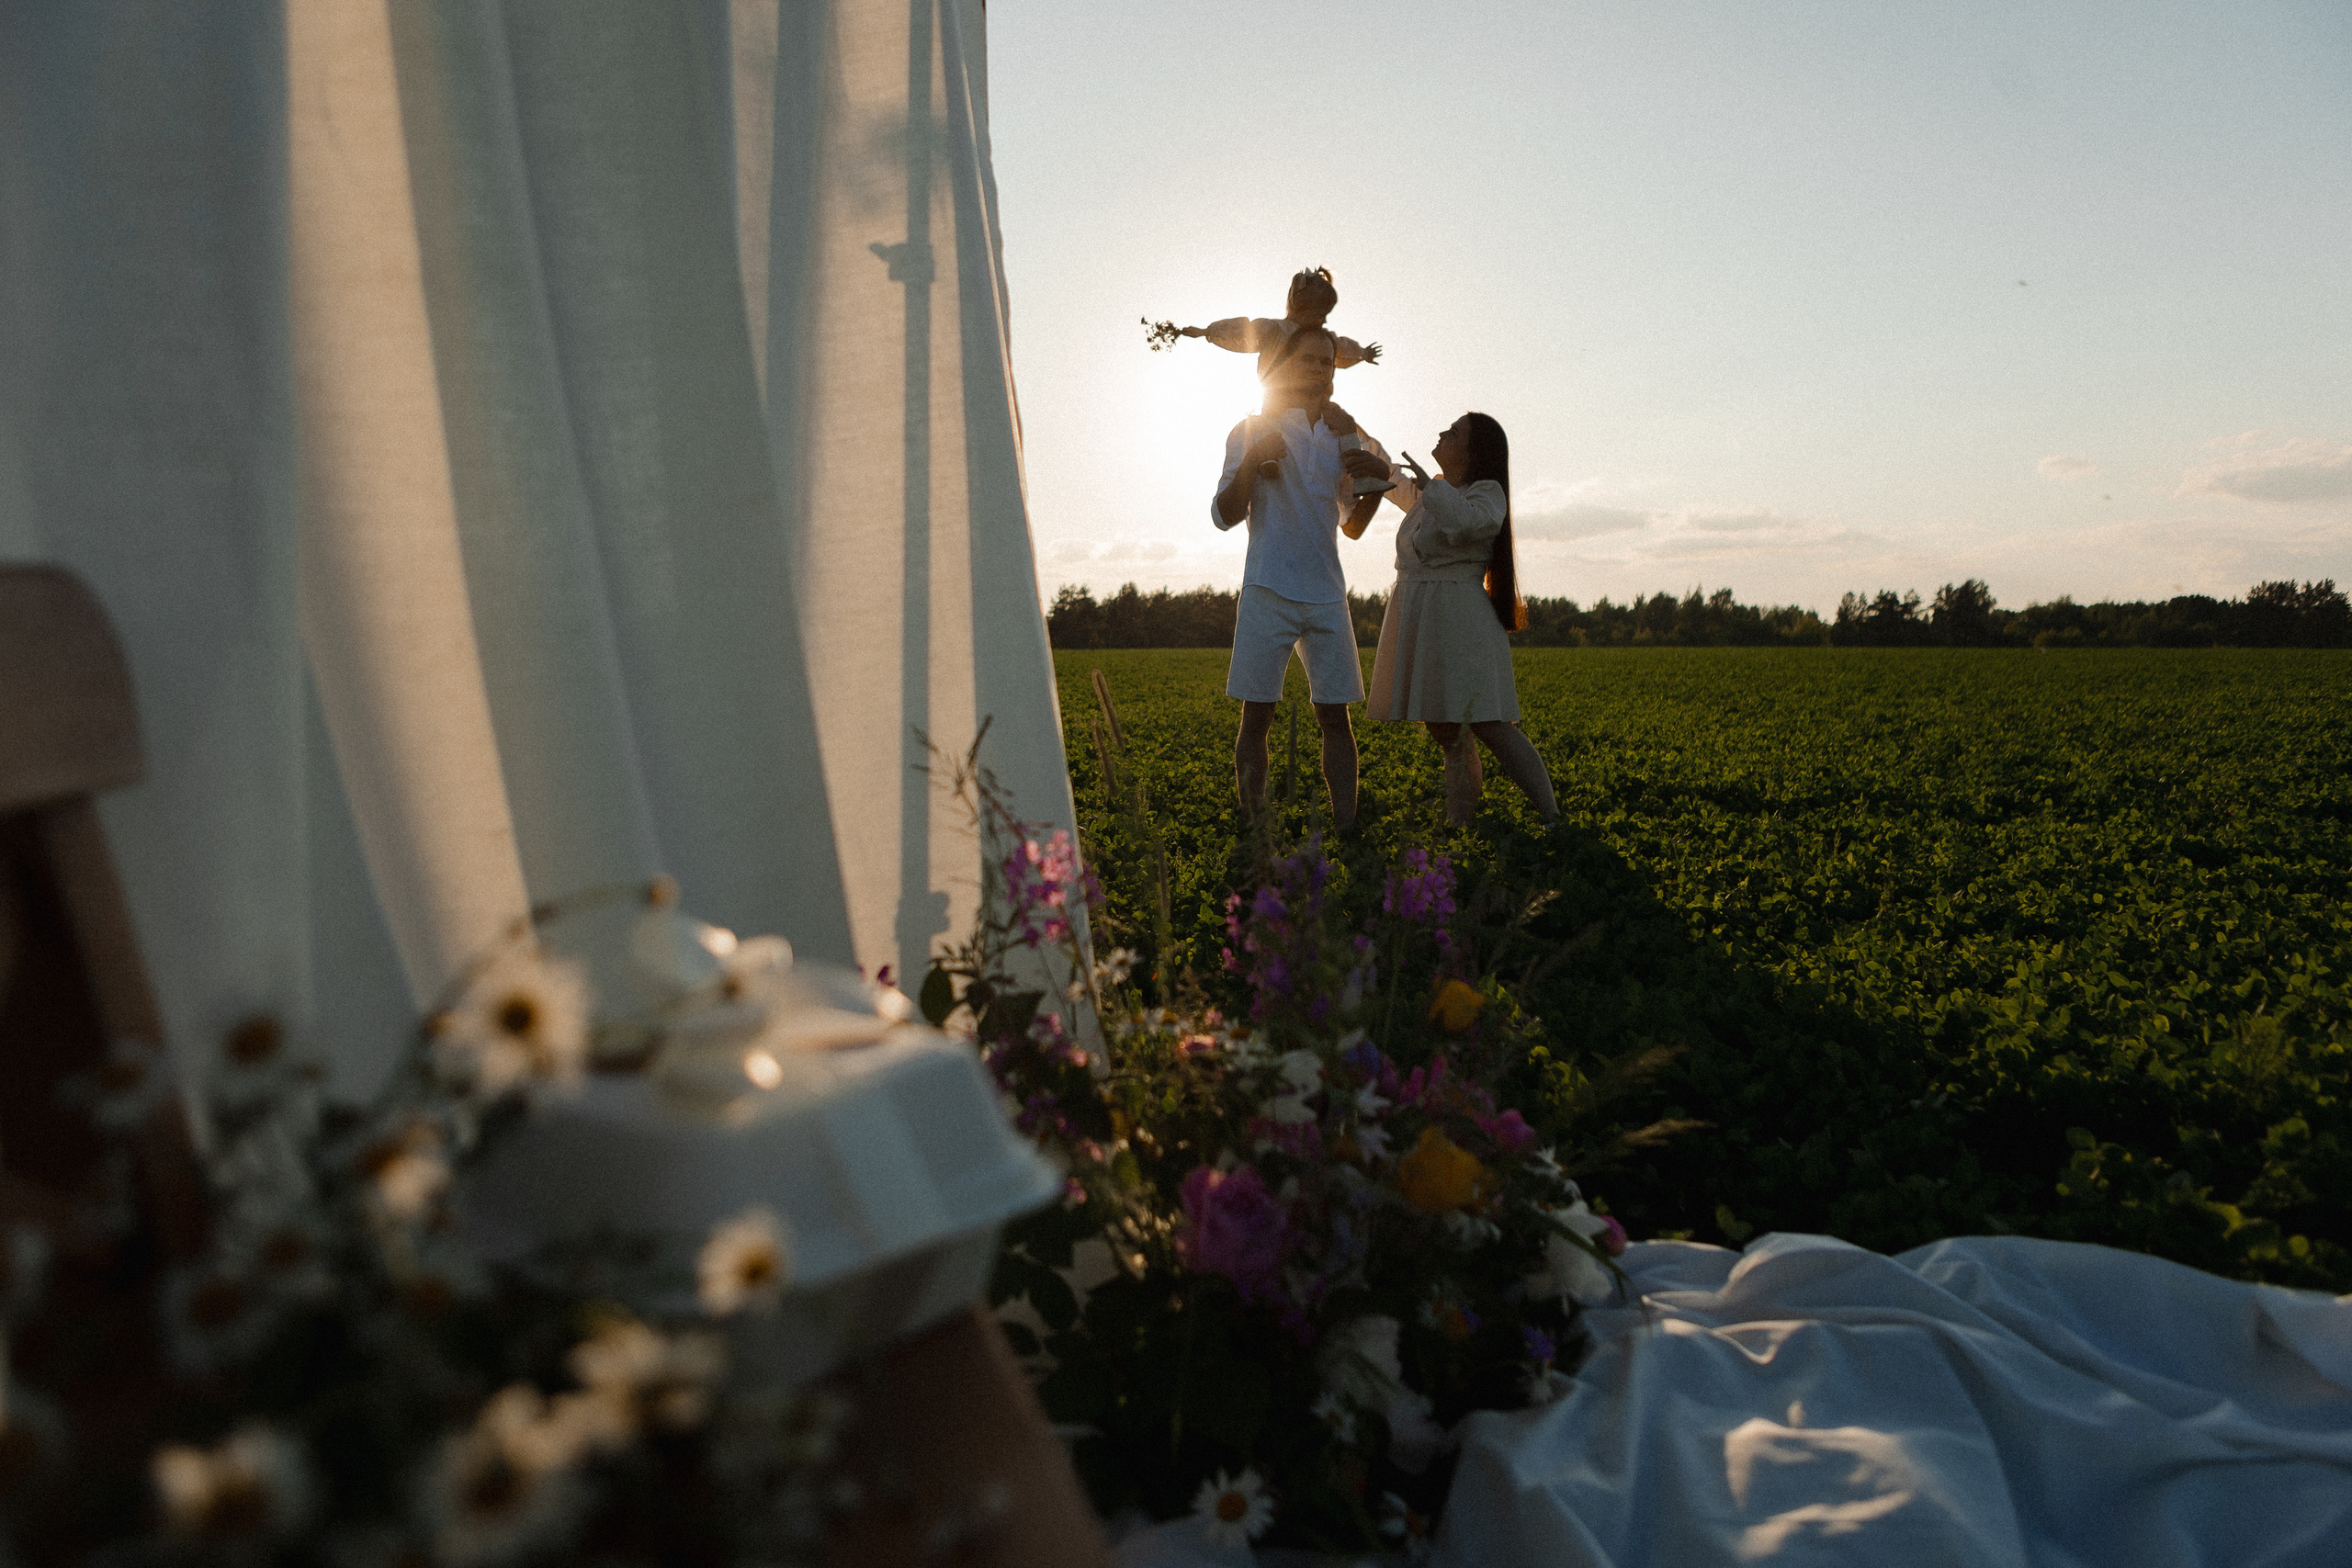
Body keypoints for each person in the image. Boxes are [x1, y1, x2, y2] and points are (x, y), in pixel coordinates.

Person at [1211, 327, 1391, 828]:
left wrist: (1376, 483)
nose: (1319, 368)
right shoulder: (1249, 428)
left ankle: (1347, 826)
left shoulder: (1346, 436)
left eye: (1327, 362)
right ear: (1282, 365)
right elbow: (1223, 515)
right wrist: (1252, 461)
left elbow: (1352, 528)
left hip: (1327, 594)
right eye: (1308, 359)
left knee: (1337, 718)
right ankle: (1253, 826)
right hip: (1266, 588)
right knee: (1257, 716)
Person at [1363, 412, 1559, 827]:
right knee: (1445, 727)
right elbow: (1398, 484)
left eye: (1453, 433)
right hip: (1425, 613)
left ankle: (1552, 816)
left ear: (1474, 451)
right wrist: (1357, 437)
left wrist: (1430, 486)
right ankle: (1460, 819)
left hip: (1460, 619)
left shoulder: (1485, 493)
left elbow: (1466, 522)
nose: (1440, 434)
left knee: (1488, 722)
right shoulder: (1434, 491)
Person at [1175, 267, 1391, 501]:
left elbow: (1342, 349)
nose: (1324, 320)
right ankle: (1269, 461)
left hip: (1314, 409)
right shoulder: (1275, 330)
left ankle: (1360, 478)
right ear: (1303, 308)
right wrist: (1208, 332)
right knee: (1270, 425)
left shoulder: (1322, 340)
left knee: (1345, 423)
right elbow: (1243, 331)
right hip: (1278, 401)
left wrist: (1362, 353)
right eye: (1321, 314)